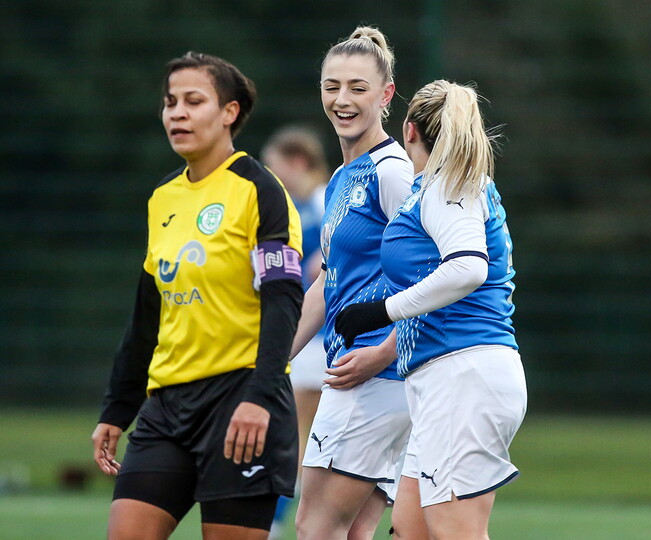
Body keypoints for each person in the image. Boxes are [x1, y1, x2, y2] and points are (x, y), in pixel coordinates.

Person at [90, 52, 304, 540]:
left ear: (228, 112)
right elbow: (147, 316)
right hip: (166, 409)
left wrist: (260, 397)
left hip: (240, 401)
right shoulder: (162, 198)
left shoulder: (260, 191)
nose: (177, 113)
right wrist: (117, 409)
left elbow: (284, 303)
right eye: (170, 103)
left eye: (193, 101)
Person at [334, 80, 527, 540]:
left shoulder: (446, 185)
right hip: (442, 378)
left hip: (464, 375)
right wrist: (386, 347)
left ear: (409, 130)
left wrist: (382, 311)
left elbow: (467, 269)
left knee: (454, 531)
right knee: (411, 528)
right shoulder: (443, 186)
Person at [290, 26, 415, 540]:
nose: (341, 100)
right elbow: (328, 282)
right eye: (331, 86)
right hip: (358, 373)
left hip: (375, 378)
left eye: (358, 88)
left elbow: (437, 279)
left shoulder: (393, 173)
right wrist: (273, 353)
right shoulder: (344, 177)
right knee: (352, 530)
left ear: (386, 95)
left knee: (315, 527)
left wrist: (385, 352)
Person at [260, 125, 331, 539]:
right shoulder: (294, 205)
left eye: (275, 166)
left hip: (321, 338)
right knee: (301, 437)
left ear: (298, 162)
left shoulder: (326, 200)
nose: (270, 174)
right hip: (305, 336)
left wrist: (326, 255)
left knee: (297, 437)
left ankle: (279, 523)